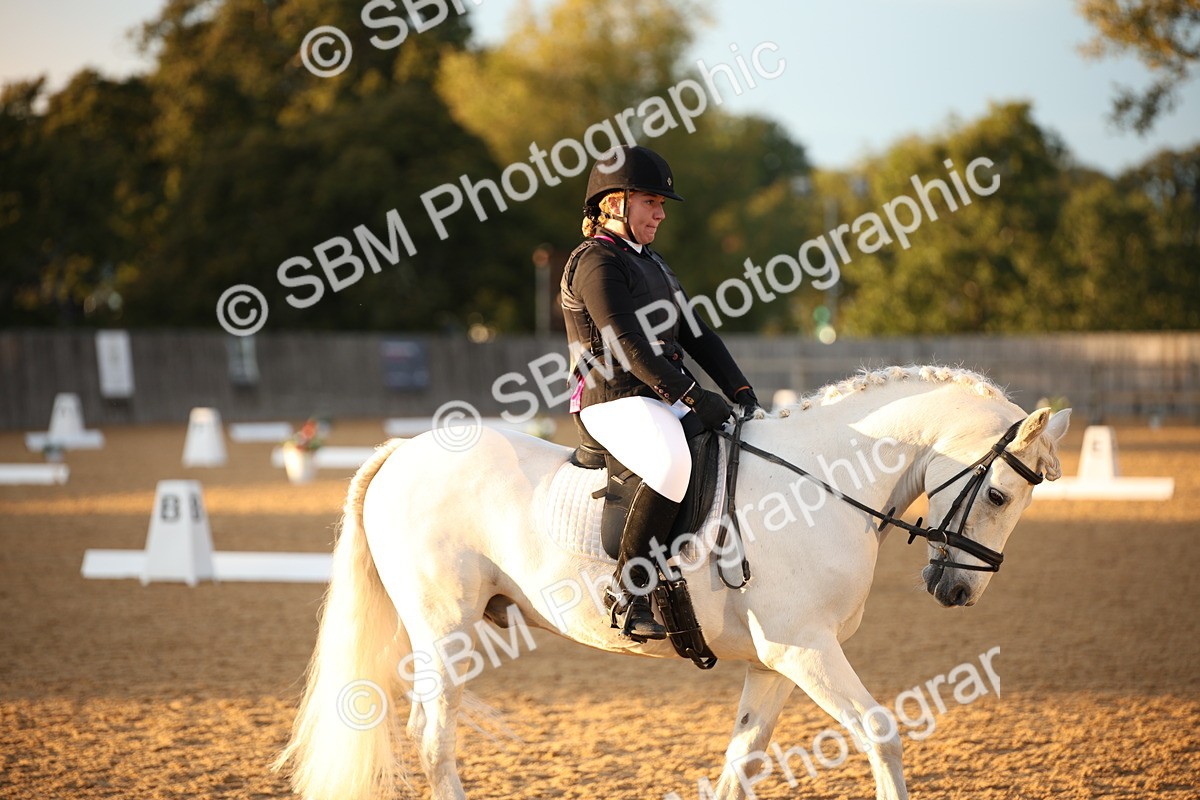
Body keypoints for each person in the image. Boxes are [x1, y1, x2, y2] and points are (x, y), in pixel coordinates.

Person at [560, 144, 760, 640]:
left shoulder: (654, 263)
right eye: (651, 201)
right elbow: (625, 344)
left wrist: (740, 390)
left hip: (655, 393)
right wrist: (695, 396)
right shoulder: (596, 261)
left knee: (735, 446)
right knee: (671, 462)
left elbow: (696, 334)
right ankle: (627, 590)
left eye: (661, 204)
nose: (661, 213)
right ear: (614, 203)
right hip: (611, 397)